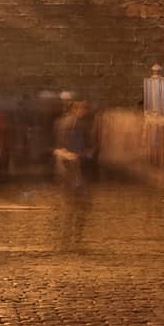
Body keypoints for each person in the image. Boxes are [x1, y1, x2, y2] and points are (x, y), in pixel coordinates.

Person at [50, 93, 98, 248]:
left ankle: (69, 235)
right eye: (81, 107)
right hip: (75, 166)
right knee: (78, 203)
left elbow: (57, 144)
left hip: (68, 165)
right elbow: (88, 147)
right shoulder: (78, 125)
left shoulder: (61, 123)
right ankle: (74, 235)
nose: (83, 110)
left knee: (72, 202)